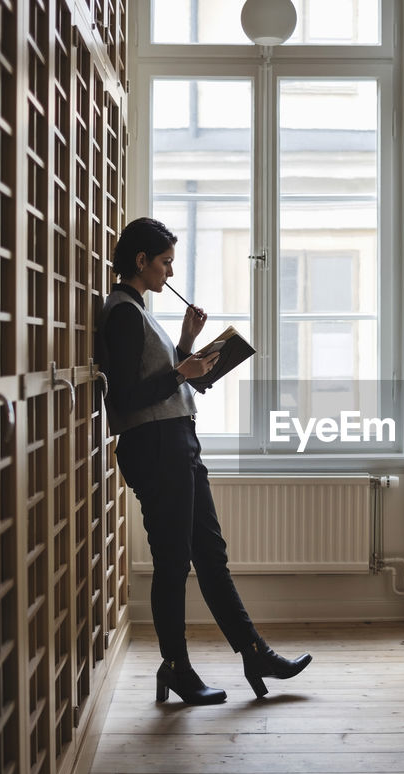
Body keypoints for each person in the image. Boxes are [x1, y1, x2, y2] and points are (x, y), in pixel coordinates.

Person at [97, 217, 311, 704]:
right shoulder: (123, 313)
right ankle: (176, 667)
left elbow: (165, 379)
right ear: (140, 261)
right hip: (155, 448)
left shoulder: (140, 310)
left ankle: (253, 652)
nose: (170, 272)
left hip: (178, 443)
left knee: (210, 556)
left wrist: (188, 346)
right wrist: (180, 371)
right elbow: (126, 401)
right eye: (165, 262)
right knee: (174, 563)